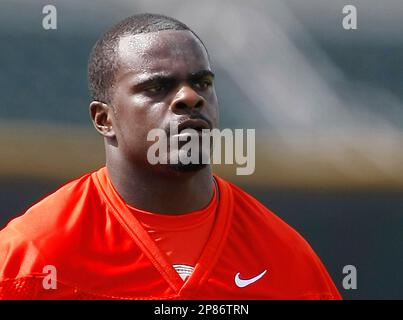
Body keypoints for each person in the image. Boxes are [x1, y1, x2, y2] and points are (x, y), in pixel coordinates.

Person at [0, 13, 341, 299]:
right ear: (104, 119)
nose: (190, 97)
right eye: (157, 87)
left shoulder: (287, 260)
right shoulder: (32, 257)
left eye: (203, 82)